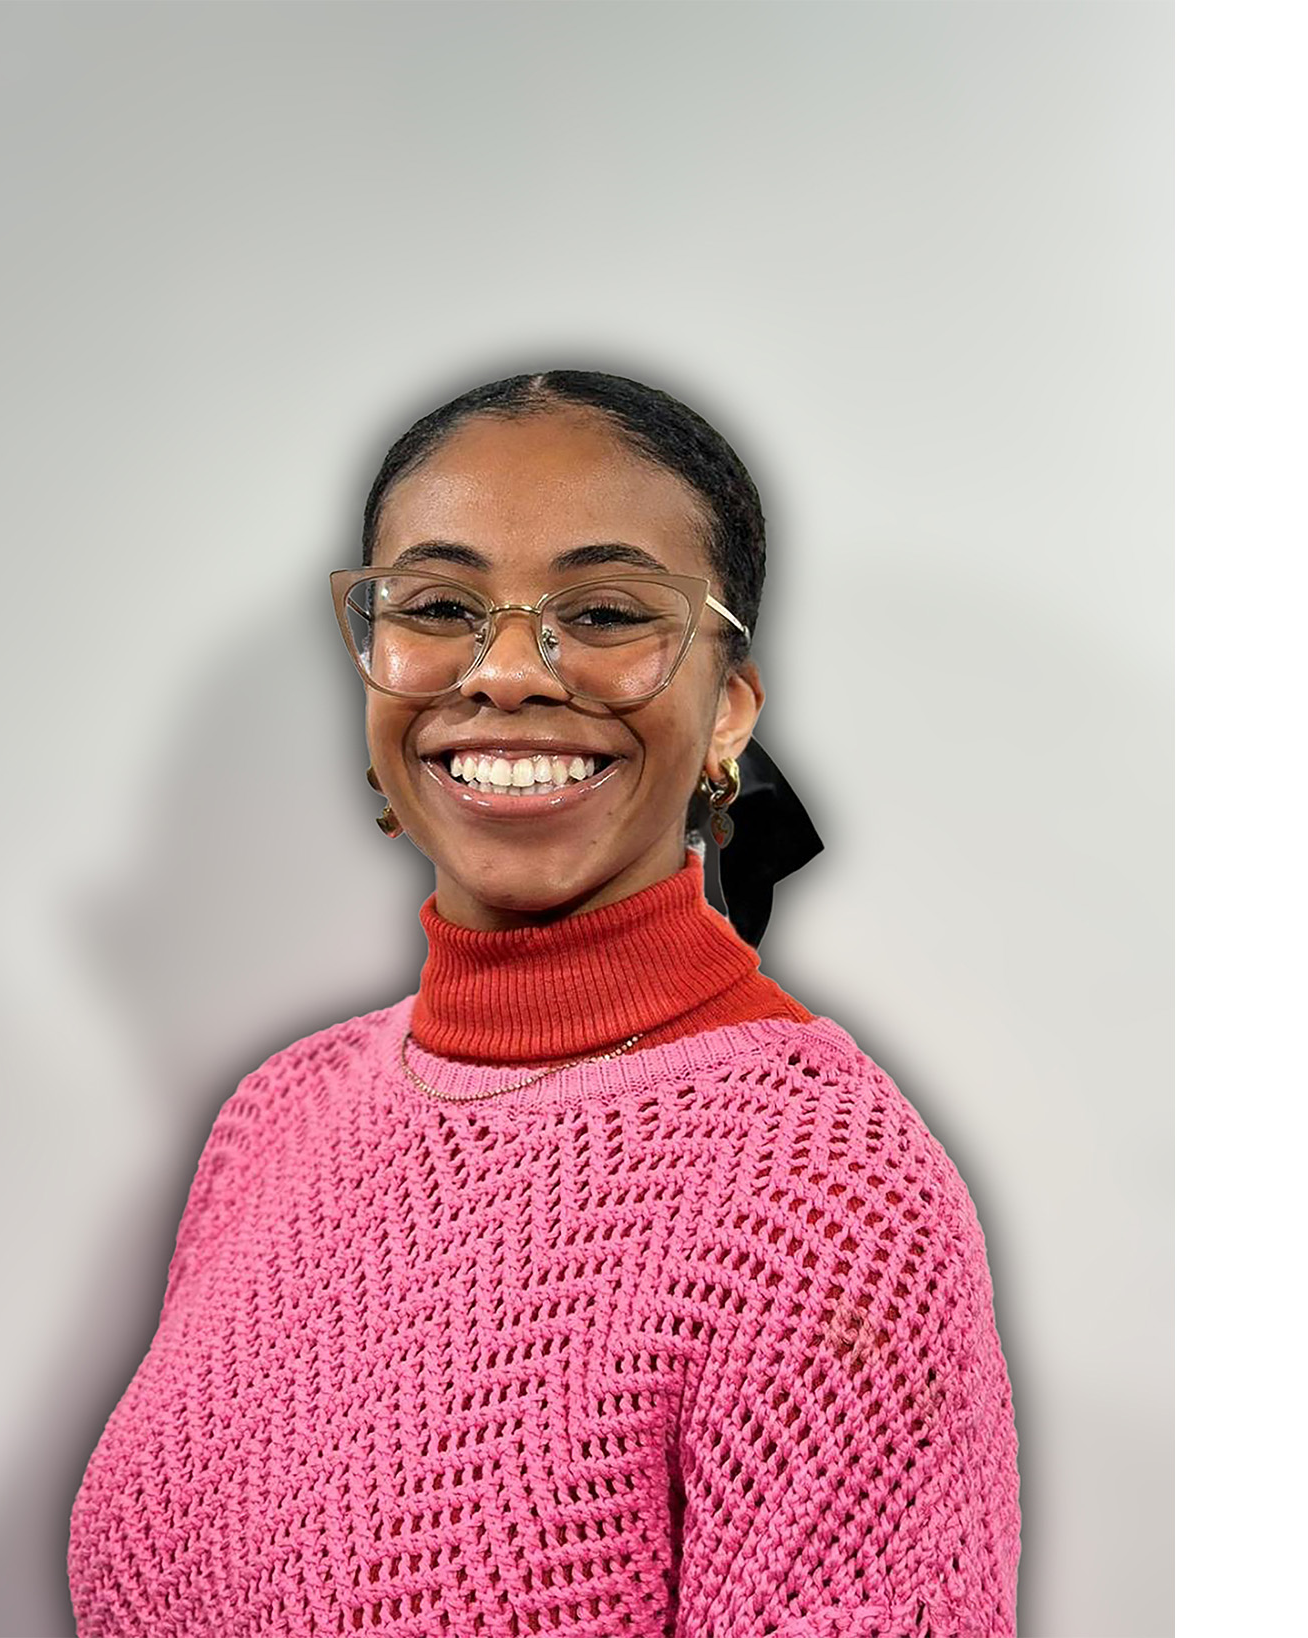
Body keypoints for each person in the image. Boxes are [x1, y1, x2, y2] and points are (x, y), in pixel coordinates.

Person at [67, 370, 1021, 1636]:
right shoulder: (276, 1114)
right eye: (441, 607)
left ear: (727, 707)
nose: (506, 670)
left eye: (609, 609)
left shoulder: (824, 1199)